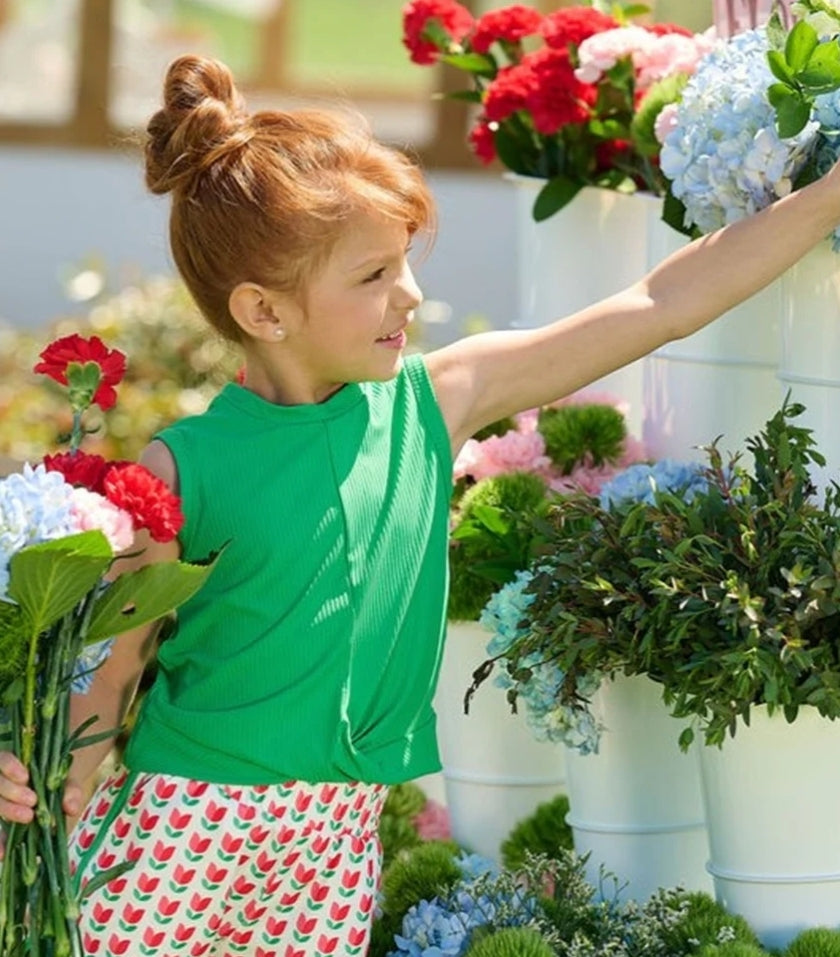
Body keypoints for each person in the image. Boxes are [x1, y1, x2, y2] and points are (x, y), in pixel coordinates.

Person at [1, 52, 840, 956]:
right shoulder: (182, 469)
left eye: (404, 263)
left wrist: (828, 197)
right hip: (178, 832)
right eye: (373, 276)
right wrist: (34, 793)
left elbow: (659, 302)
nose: (411, 293)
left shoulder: (433, 402)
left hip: (335, 839)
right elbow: (112, 671)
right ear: (264, 310)